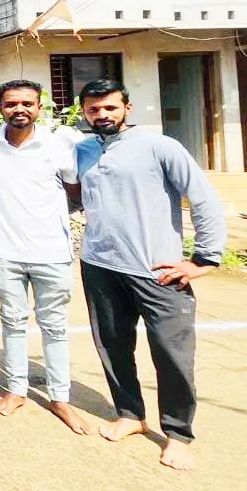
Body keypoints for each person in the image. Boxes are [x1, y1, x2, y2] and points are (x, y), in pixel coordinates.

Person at [75, 79, 225, 471]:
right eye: (93, 109)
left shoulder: (160, 146)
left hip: (157, 271)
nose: (102, 114)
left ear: (127, 107)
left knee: (172, 355)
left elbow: (203, 198)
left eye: (110, 107)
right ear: (84, 111)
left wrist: (204, 259)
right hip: (100, 266)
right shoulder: (83, 150)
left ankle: (178, 434)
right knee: (112, 346)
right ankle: (130, 414)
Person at [0, 80, 90, 433]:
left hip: (52, 251)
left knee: (54, 326)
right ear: (0, 108)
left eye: (27, 103)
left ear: (39, 107)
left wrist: (47, 218)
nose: (19, 109)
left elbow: (75, 193)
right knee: (12, 321)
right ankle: (16, 389)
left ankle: (60, 397)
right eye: (11, 104)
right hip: (4, 252)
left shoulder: (60, 145)